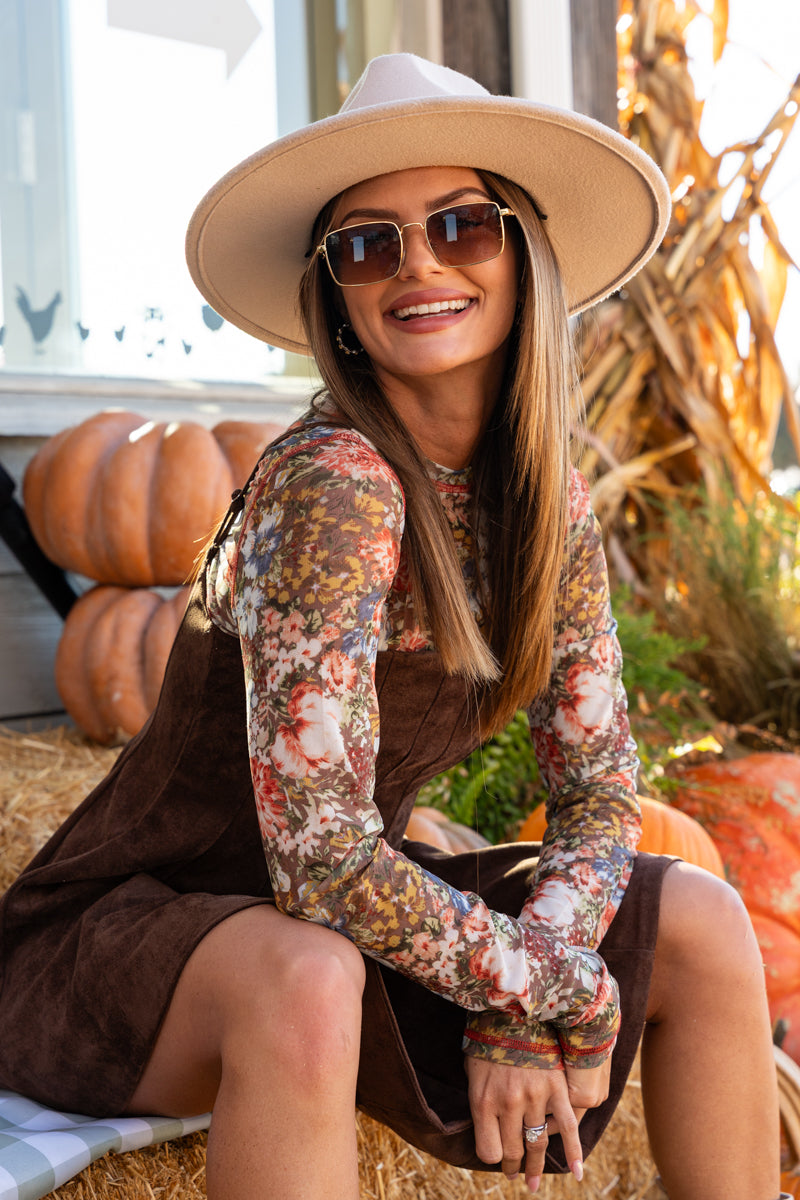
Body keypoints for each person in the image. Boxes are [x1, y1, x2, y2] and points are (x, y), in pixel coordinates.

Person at [0, 53, 785, 1200]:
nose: (417, 264)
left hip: (343, 925)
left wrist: (525, 989)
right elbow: (319, 859)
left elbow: (598, 785)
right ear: (338, 297)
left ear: (523, 255)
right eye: (368, 245)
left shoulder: (545, 501)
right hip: (131, 942)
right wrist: (544, 985)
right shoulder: (335, 481)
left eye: (460, 227)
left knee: (702, 919)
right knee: (307, 976)